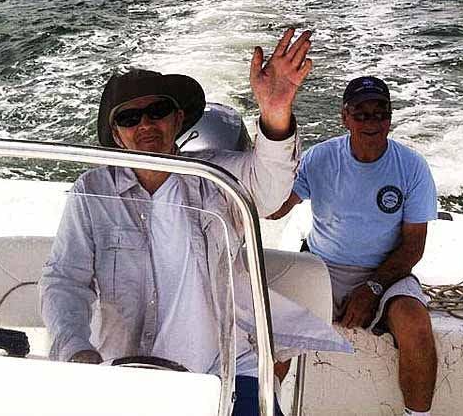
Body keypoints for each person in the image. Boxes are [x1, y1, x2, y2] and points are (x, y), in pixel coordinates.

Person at [40, 28, 349, 416]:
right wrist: (75, 349)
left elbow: (270, 192)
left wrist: (274, 112)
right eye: (130, 118)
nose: (146, 124)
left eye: (157, 112)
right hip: (123, 373)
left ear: (178, 119)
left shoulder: (219, 179)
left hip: (225, 369)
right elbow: (65, 280)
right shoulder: (91, 193)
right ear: (117, 136)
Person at [269, 76, 438, 416]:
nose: (371, 122)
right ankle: (266, 407)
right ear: (344, 118)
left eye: (380, 113)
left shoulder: (413, 167)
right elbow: (275, 208)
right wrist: (269, 157)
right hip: (321, 266)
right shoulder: (319, 159)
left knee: (416, 326)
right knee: (273, 326)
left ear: (390, 118)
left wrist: (373, 287)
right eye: (361, 114)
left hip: (386, 272)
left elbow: (412, 248)